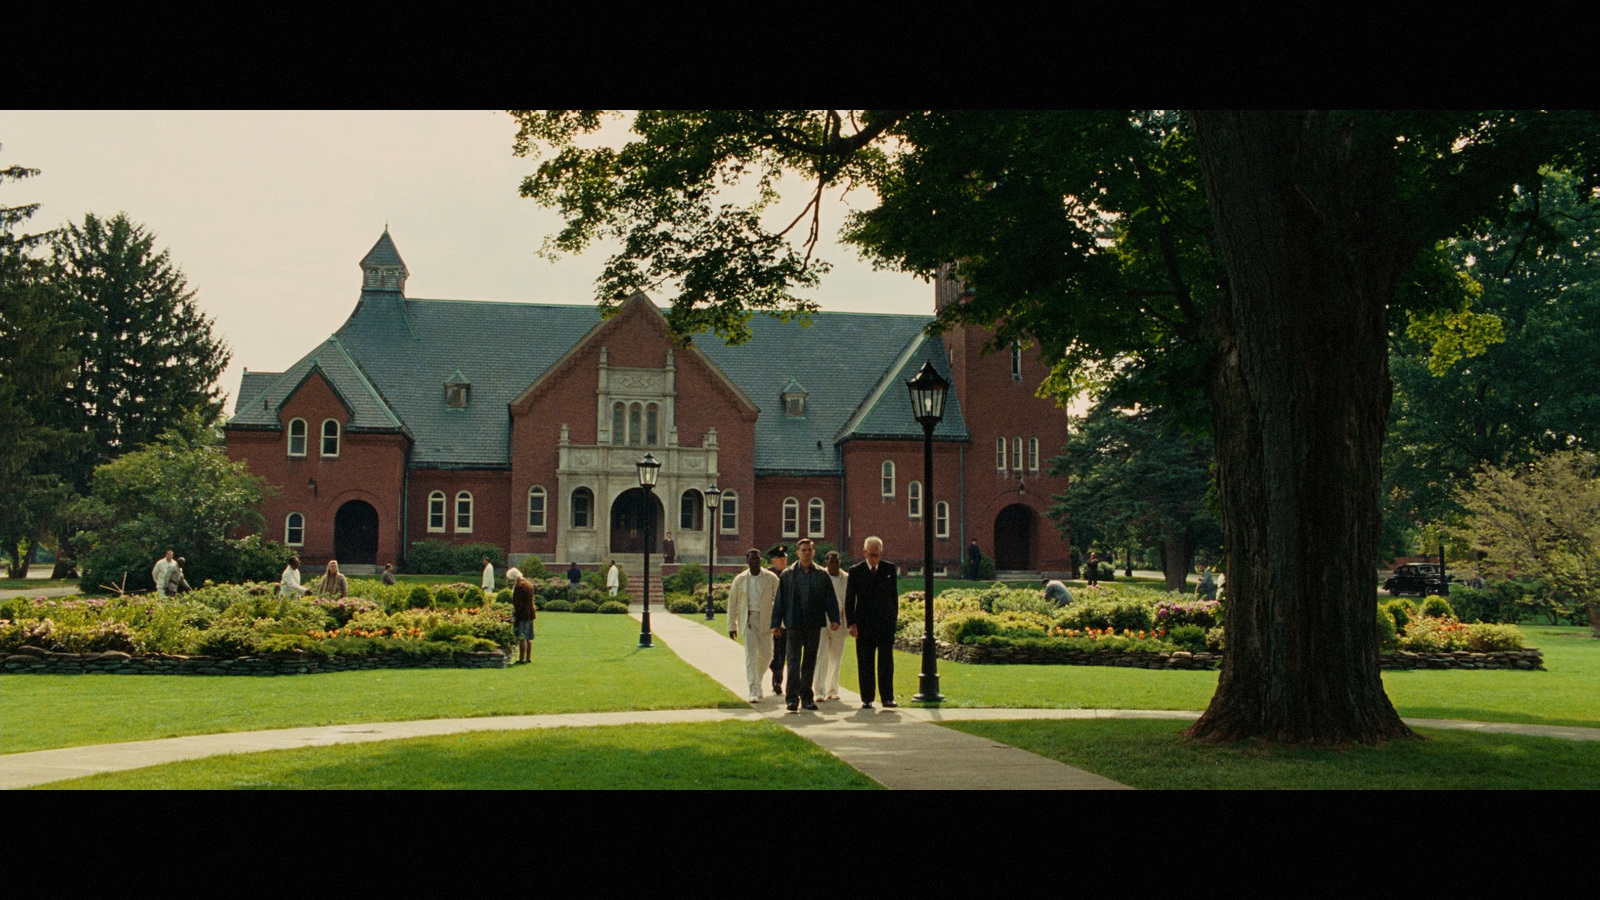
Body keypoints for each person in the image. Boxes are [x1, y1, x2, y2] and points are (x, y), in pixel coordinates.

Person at [770, 538, 840, 712]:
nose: (806, 553)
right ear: (797, 553)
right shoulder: (788, 574)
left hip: (813, 623)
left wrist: (834, 619)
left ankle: (807, 698)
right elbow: (780, 601)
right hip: (794, 624)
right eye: (803, 550)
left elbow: (830, 598)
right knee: (793, 661)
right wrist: (776, 624)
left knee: (809, 661)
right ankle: (792, 699)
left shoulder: (822, 575)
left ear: (814, 552)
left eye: (809, 550)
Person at [845, 535, 898, 709]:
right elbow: (849, 599)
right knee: (865, 662)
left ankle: (887, 698)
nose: (875, 559)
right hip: (864, 625)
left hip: (884, 625)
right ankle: (867, 697)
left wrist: (893, 623)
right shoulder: (856, 571)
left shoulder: (889, 569)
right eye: (871, 555)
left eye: (878, 555)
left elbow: (893, 598)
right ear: (864, 552)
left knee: (886, 663)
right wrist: (851, 623)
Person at [726, 548, 781, 701]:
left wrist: (779, 623)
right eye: (751, 559)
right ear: (747, 561)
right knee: (750, 657)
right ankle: (753, 690)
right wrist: (732, 625)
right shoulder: (740, 579)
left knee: (767, 655)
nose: (754, 562)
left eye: (757, 559)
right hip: (748, 620)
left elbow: (780, 601)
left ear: (761, 560)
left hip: (767, 621)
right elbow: (732, 603)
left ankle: (757, 681)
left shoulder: (771, 578)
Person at [812, 550, 851, 701]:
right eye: (831, 561)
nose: (834, 564)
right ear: (826, 562)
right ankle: (819, 690)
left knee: (836, 656)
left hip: (840, 622)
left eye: (837, 561)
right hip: (822, 621)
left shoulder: (846, 578)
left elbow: (849, 601)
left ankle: (833, 689)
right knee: (821, 656)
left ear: (840, 562)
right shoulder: (820, 576)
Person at [765, 544, 789, 695]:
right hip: (772, 621)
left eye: (785, 558)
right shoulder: (768, 576)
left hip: (788, 621)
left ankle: (777, 681)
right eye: (780, 559)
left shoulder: (790, 574)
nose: (783, 561)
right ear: (774, 560)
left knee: (782, 652)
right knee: (772, 653)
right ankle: (776, 677)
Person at [508, 567, 536, 664]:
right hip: (530, 613)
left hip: (522, 614)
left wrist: (515, 616)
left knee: (522, 637)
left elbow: (517, 604)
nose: (510, 581)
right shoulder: (528, 584)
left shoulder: (519, 586)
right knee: (529, 637)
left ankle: (521, 658)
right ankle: (528, 657)